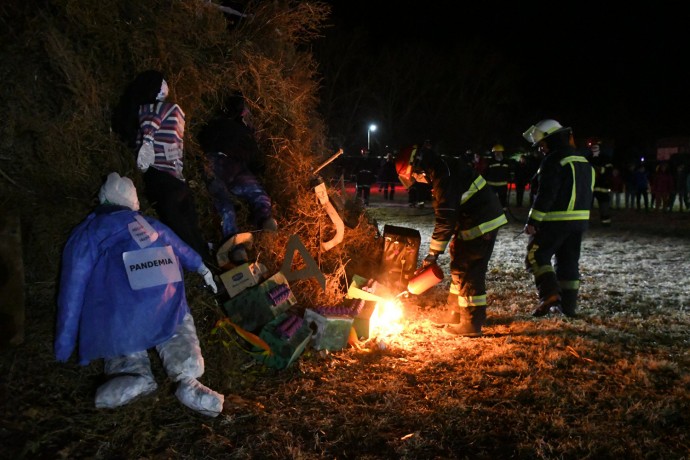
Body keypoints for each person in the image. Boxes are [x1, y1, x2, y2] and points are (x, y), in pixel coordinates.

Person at [55, 172, 225, 417]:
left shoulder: (89, 232)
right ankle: (188, 379)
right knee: (177, 328)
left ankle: (133, 377)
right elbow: (180, 248)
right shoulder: (149, 224)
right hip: (167, 300)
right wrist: (201, 267)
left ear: (103, 200)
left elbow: (72, 287)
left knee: (124, 337)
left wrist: (64, 345)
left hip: (121, 311)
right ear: (134, 203)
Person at [396, 141, 508, 337]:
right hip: (471, 221)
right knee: (458, 264)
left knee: (469, 269)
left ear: (419, 166)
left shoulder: (443, 176)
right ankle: (455, 313)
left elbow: (446, 217)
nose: (417, 180)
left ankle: (471, 323)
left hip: (481, 224)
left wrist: (433, 254)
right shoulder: (440, 169)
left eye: (414, 175)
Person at [111, 70, 213, 268]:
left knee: (182, 221)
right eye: (162, 85)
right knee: (183, 220)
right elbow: (154, 121)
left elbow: (151, 125)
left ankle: (204, 259)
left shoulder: (149, 112)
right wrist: (148, 140)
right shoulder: (159, 110)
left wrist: (147, 141)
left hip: (165, 177)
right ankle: (204, 262)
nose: (166, 88)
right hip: (169, 176)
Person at [521, 119, 594, 317]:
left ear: (551, 139)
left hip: (554, 221)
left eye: (542, 144)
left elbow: (546, 194)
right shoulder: (582, 160)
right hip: (578, 223)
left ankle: (549, 295)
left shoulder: (554, 160)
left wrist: (533, 221)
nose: (541, 149)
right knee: (568, 263)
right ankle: (568, 308)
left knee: (536, 256)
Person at [197, 91, 277, 264]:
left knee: (227, 204)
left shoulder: (222, 125)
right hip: (223, 164)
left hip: (222, 164)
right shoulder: (236, 128)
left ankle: (239, 242)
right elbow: (253, 153)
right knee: (240, 199)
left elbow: (204, 138)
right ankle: (258, 222)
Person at [587, 143, 613, 226]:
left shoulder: (605, 158)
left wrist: (599, 169)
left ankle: (606, 222)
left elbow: (609, 170)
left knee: (604, 205)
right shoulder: (588, 158)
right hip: (590, 186)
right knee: (586, 206)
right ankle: (585, 223)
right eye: (592, 146)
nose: (594, 148)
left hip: (602, 186)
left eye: (595, 146)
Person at [483, 143, 513, 209]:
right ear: (494, 153)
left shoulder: (506, 161)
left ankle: (503, 210)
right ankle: (491, 210)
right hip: (492, 185)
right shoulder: (490, 162)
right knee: (491, 198)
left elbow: (510, 171)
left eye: (499, 152)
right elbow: (485, 172)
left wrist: (510, 178)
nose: (498, 153)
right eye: (496, 152)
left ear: (502, 152)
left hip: (502, 184)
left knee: (503, 198)